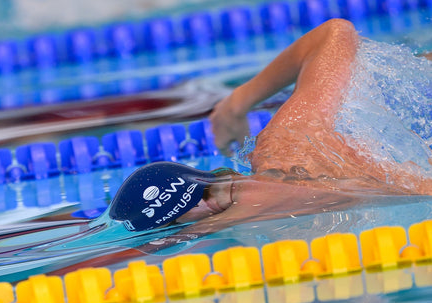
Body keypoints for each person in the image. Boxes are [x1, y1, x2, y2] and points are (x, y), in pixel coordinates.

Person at [108, 19, 432, 236]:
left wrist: (238, 101)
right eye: (213, 202)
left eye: (216, 194)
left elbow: (335, 33)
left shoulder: (287, 147)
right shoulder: (276, 225)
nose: (217, 203)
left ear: (224, 176)